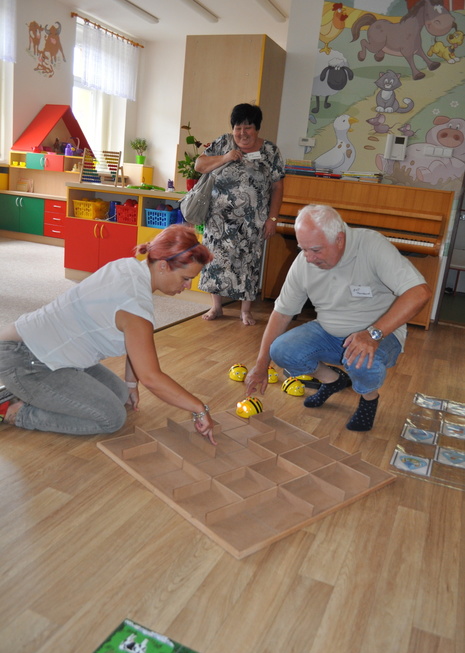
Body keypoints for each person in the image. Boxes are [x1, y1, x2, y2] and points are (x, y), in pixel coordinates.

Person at [0, 225, 217, 444]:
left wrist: (131, 385)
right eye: (185, 278)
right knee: (111, 418)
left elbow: (135, 347)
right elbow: (151, 378)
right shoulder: (135, 307)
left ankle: (29, 394)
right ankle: (13, 410)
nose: (187, 285)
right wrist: (198, 408)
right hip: (25, 361)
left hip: (49, 352)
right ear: (163, 266)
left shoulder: (127, 267)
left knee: (119, 394)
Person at [245, 204, 431, 431]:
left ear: (340, 239)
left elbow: (420, 293)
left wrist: (373, 334)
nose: (308, 258)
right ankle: (333, 380)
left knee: (362, 361)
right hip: (328, 331)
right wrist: (261, 365)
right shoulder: (304, 261)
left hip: (381, 334)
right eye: (303, 249)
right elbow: (282, 314)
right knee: (281, 350)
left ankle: (369, 399)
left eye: (315, 250)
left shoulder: (371, 245)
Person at [195, 103, 285, 326]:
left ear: (257, 128)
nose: (242, 133)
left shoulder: (271, 151)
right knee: (216, 262)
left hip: (253, 221)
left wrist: (272, 219)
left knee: (249, 264)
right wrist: (225, 157)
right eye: (238, 128)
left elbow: (277, 187)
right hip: (218, 220)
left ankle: (246, 311)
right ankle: (216, 306)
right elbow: (199, 165)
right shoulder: (223, 143)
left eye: (248, 128)